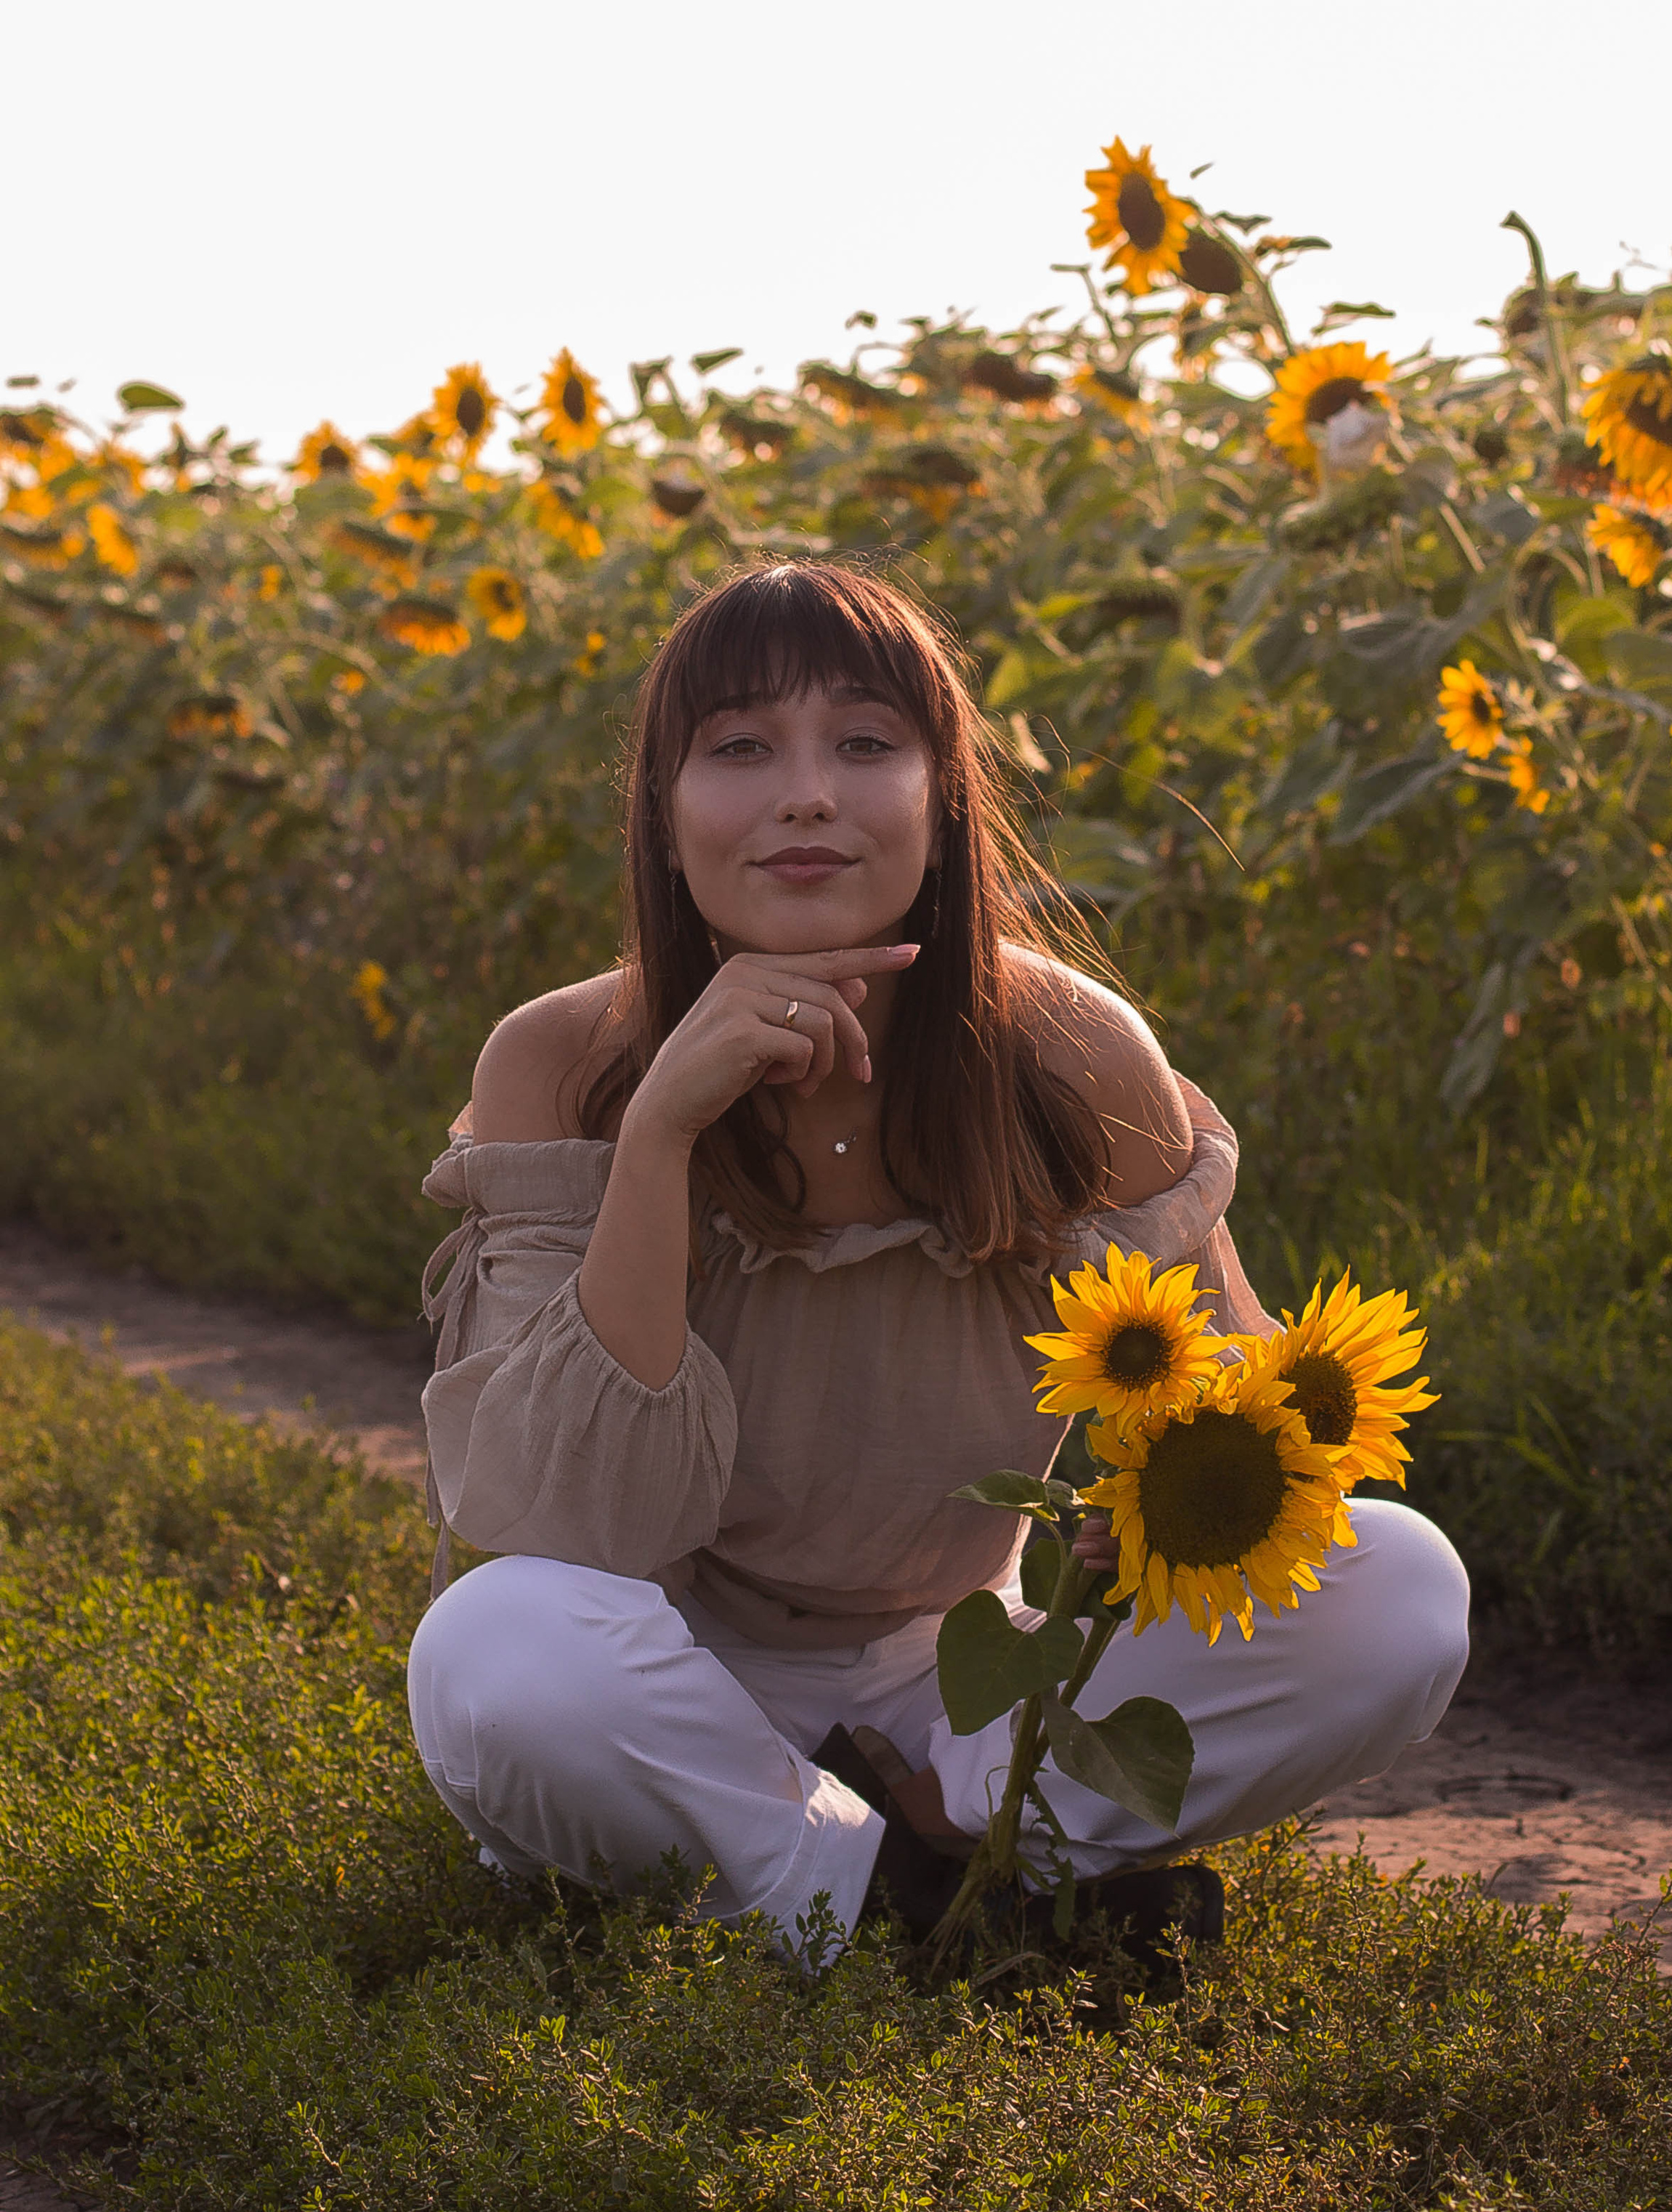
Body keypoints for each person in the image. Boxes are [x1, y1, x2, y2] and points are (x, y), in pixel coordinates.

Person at [407, 560, 1468, 1958]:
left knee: (1396, 1586)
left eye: (865, 743)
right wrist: (662, 1127)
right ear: (665, 820)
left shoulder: (1071, 1053)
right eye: (739, 749)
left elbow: (1239, 1403)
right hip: (670, 1678)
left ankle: (908, 1859)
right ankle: (950, 1904)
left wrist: (1164, 1507)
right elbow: (571, 1525)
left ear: (943, 796)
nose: (806, 794)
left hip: (966, 1682)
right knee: (501, 1651)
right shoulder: (561, 1062)